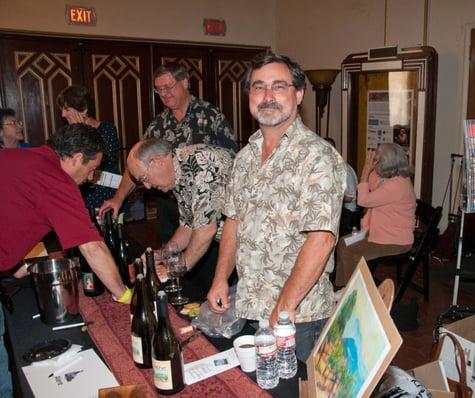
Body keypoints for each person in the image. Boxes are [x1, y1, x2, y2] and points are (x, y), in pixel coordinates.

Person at [206, 52, 346, 362]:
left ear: (298, 94)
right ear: (249, 96)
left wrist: (283, 309)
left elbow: (321, 239)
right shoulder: (244, 157)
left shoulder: (317, 157)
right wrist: (220, 277)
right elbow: (233, 220)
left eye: (278, 86)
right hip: (250, 306)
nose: (267, 96)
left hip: (298, 318)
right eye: (258, 87)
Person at [0, 124, 130, 397]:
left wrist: (15, 261)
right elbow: (92, 248)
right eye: (90, 167)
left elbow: (13, 210)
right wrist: (124, 294)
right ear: (75, 158)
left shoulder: (21, 157)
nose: (90, 177)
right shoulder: (56, 180)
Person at [100, 63, 237, 243]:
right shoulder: (158, 125)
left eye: (168, 87)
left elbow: (234, 162)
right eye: (159, 89)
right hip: (168, 206)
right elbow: (137, 164)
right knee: (171, 256)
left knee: (203, 258)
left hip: (206, 206)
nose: (164, 93)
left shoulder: (211, 116)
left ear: (185, 82)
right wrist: (118, 198)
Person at [127, 138, 233, 293]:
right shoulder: (178, 172)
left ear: (158, 161)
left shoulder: (200, 163)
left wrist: (176, 268)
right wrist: (163, 255)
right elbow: (188, 226)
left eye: (144, 178)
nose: (147, 186)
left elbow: (206, 229)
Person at [335, 143, 416, 287]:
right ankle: (345, 287)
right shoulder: (392, 177)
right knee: (342, 243)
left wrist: (366, 170)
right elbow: (372, 183)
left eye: (377, 160)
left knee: (349, 251)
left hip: (394, 240)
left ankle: (351, 292)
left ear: (386, 164)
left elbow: (363, 200)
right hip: (382, 233)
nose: (374, 162)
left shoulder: (396, 185)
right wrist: (370, 168)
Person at [57, 85, 120, 210]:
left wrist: (82, 132)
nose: (63, 114)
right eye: (61, 109)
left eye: (66, 109)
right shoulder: (66, 134)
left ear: (83, 110)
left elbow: (104, 166)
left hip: (105, 193)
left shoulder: (107, 130)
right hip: (77, 194)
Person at [325, 137, 360, 236]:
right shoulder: (333, 166)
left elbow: (351, 196)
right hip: (342, 211)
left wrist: (330, 194)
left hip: (348, 213)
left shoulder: (343, 169)